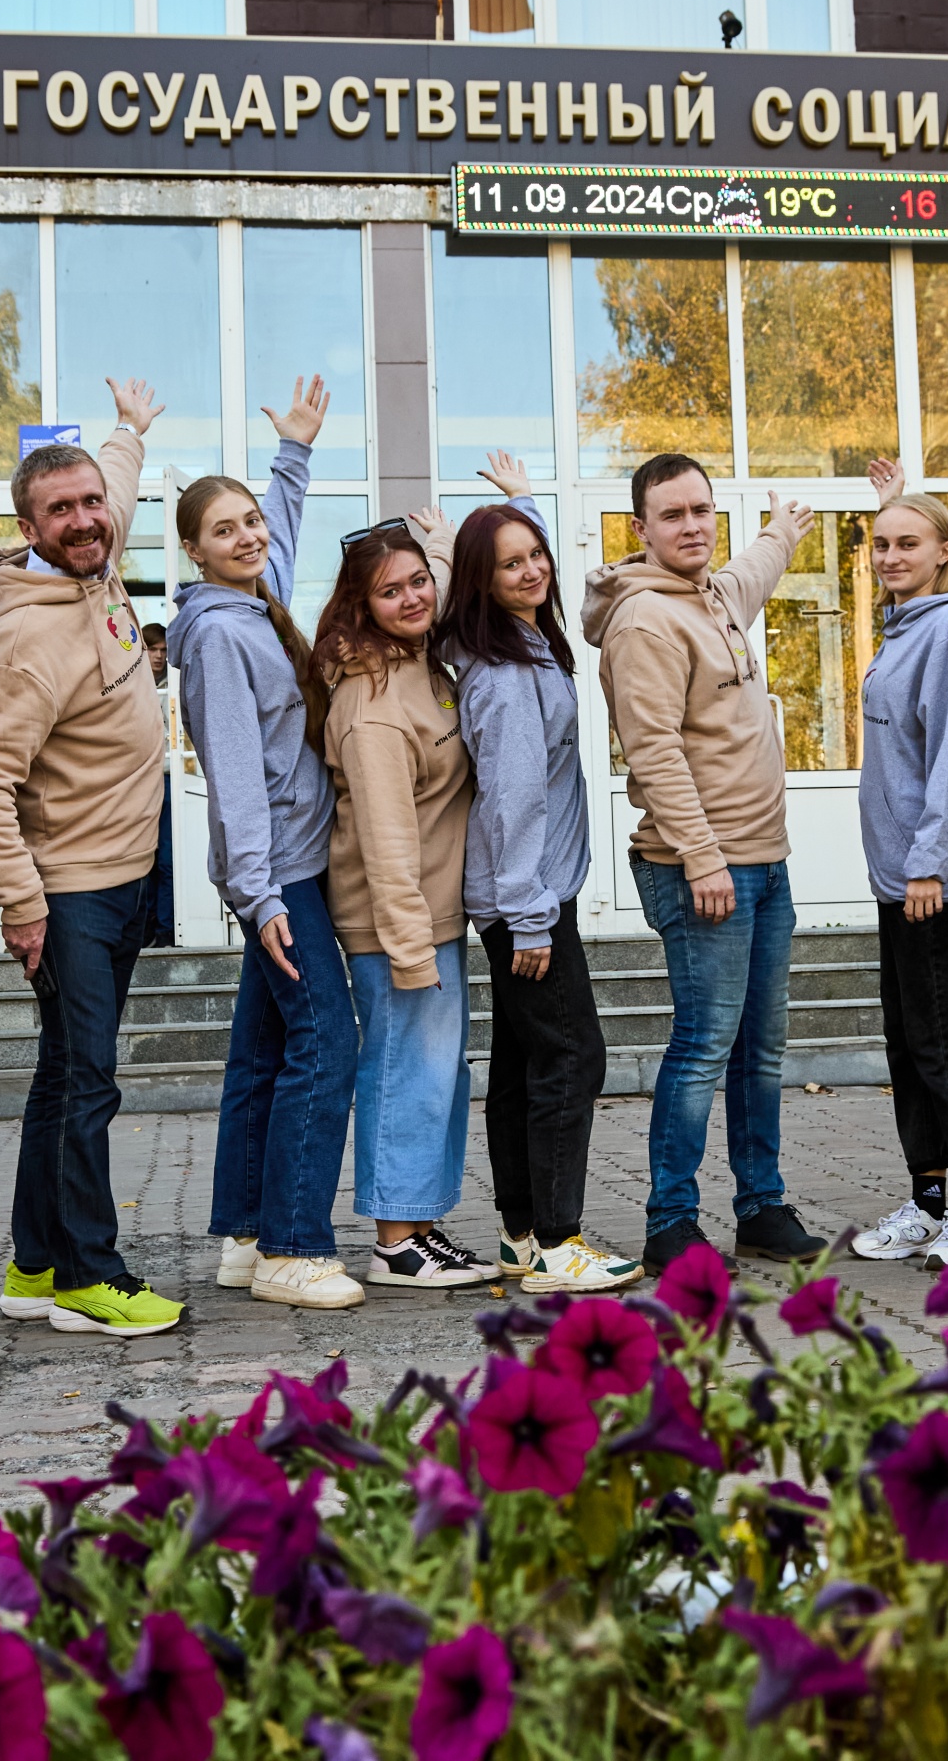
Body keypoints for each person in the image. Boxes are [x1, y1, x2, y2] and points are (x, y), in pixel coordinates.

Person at [0, 377, 189, 1342]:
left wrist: (129, 430)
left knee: (61, 1076)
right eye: (63, 510)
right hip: (73, 894)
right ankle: (92, 1274)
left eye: (92, 502)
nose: (87, 519)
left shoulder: (97, 562)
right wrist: (20, 904)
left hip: (127, 874)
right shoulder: (25, 641)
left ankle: (36, 1262)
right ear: (29, 528)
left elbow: (116, 485)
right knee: (90, 1081)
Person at [580, 452, 826, 1275]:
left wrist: (782, 531)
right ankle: (670, 1221)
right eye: (673, 514)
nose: (692, 526)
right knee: (704, 1045)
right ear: (641, 528)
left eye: (702, 510)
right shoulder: (646, 620)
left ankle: (761, 1207)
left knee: (761, 1047)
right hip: (705, 869)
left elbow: (754, 569)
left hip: (764, 861)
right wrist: (702, 857)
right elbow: (652, 750)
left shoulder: (713, 594)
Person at [166, 375, 362, 1311]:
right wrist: (260, 895)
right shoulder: (218, 636)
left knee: (261, 1055)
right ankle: (293, 1245)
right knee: (327, 1043)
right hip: (279, 875)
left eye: (248, 522)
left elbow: (278, 532)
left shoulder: (256, 606)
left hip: (291, 867)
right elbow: (235, 777)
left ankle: (247, 1238)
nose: (247, 537)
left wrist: (295, 453)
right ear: (193, 551)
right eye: (225, 530)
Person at [437, 467, 641, 1296]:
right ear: (480, 582)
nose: (531, 571)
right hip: (526, 895)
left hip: (524, 891)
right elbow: (513, 798)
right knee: (572, 1056)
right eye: (510, 563)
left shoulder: (516, 647)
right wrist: (528, 915)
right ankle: (558, 1244)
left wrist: (519, 504)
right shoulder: (507, 674)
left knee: (524, 1064)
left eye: (536, 555)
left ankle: (522, 1235)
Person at [310, 502, 496, 1293]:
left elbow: (445, 581)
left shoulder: (420, 658)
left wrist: (447, 544)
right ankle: (394, 1240)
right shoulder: (374, 705)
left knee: (438, 1076)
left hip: (433, 914)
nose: (414, 597)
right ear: (362, 606)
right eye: (391, 591)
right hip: (396, 924)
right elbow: (386, 842)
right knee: (405, 1074)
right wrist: (411, 951)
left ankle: (418, 1223)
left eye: (419, 581)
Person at [846, 457, 948, 1270]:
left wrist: (931, 862)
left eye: (908, 543)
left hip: (931, 880)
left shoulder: (947, 629)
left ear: (946, 552)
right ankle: (927, 1200)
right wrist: (897, 503)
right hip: (898, 875)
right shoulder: (906, 625)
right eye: (881, 544)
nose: (889, 556)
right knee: (910, 1043)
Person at [140, 623, 175, 948]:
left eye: (164, 650)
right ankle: (146, 928)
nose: (159, 656)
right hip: (139, 782)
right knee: (142, 859)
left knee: (167, 860)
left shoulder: (172, 685)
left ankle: (165, 929)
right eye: (153, 649)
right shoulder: (132, 685)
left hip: (170, 779)